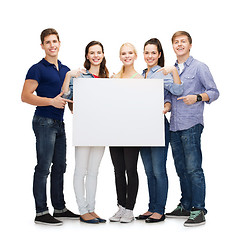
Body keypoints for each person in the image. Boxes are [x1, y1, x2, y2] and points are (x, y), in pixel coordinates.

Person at [21, 28, 79, 226]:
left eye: (55, 41)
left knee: (60, 167)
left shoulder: (65, 70)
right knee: (44, 167)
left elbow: (69, 100)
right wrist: (50, 102)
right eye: (48, 42)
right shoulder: (37, 68)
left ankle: (60, 208)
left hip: (59, 123)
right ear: (42, 46)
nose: (52, 45)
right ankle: (41, 211)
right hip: (44, 121)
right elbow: (26, 96)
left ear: (60, 43)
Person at [165, 31, 219, 227]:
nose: (179, 45)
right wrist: (166, 105)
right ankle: (185, 204)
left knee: (193, 168)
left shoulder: (199, 67)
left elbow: (214, 92)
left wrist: (196, 97)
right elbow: (169, 96)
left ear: (190, 45)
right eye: (176, 42)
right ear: (173, 46)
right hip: (174, 125)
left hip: (191, 124)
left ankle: (198, 209)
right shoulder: (171, 70)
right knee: (180, 169)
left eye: (183, 42)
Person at [135, 38, 183, 223]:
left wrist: (173, 70)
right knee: (148, 171)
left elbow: (177, 91)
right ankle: (151, 207)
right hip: (142, 127)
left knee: (158, 170)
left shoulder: (163, 72)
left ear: (159, 54)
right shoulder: (142, 74)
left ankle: (159, 210)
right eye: (147, 52)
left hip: (157, 125)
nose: (149, 56)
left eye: (153, 52)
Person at [61, 41, 109, 224]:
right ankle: (82, 209)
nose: (95, 55)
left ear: (103, 55)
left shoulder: (107, 79)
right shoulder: (79, 76)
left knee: (94, 171)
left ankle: (91, 208)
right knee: (81, 170)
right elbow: (65, 96)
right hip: (84, 128)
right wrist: (68, 76)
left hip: (101, 129)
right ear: (87, 56)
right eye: (92, 53)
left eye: (99, 52)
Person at [109, 43, 142, 223]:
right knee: (118, 170)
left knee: (131, 169)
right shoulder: (115, 78)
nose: (127, 56)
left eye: (130, 53)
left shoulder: (140, 79)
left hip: (132, 131)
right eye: (124, 53)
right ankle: (121, 207)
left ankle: (130, 209)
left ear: (135, 56)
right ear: (120, 57)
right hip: (114, 130)